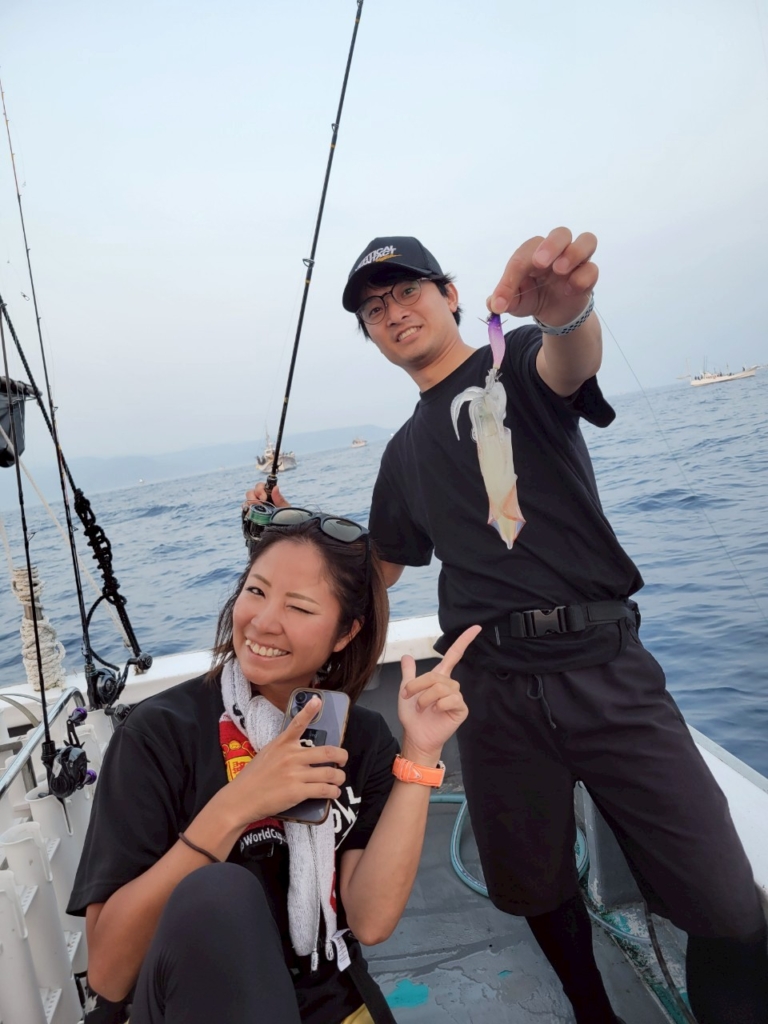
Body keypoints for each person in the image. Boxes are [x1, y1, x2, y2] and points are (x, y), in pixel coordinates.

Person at [248, 231, 768, 1024]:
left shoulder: (514, 363)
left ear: (451, 295)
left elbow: (569, 362)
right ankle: (593, 1013)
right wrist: (294, 532)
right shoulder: (402, 454)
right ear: (371, 335)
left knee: (728, 901)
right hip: (492, 689)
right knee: (533, 883)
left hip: (605, 668)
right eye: (375, 309)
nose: (394, 313)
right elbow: (381, 567)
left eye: (408, 291)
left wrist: (567, 313)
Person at [68, 509, 479, 1024]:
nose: (263, 622)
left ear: (346, 633)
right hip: (193, 1005)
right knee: (220, 893)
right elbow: (109, 973)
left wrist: (419, 752)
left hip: (327, 997)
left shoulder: (361, 739)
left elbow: (371, 922)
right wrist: (238, 803)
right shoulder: (159, 734)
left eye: (299, 607)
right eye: (256, 591)